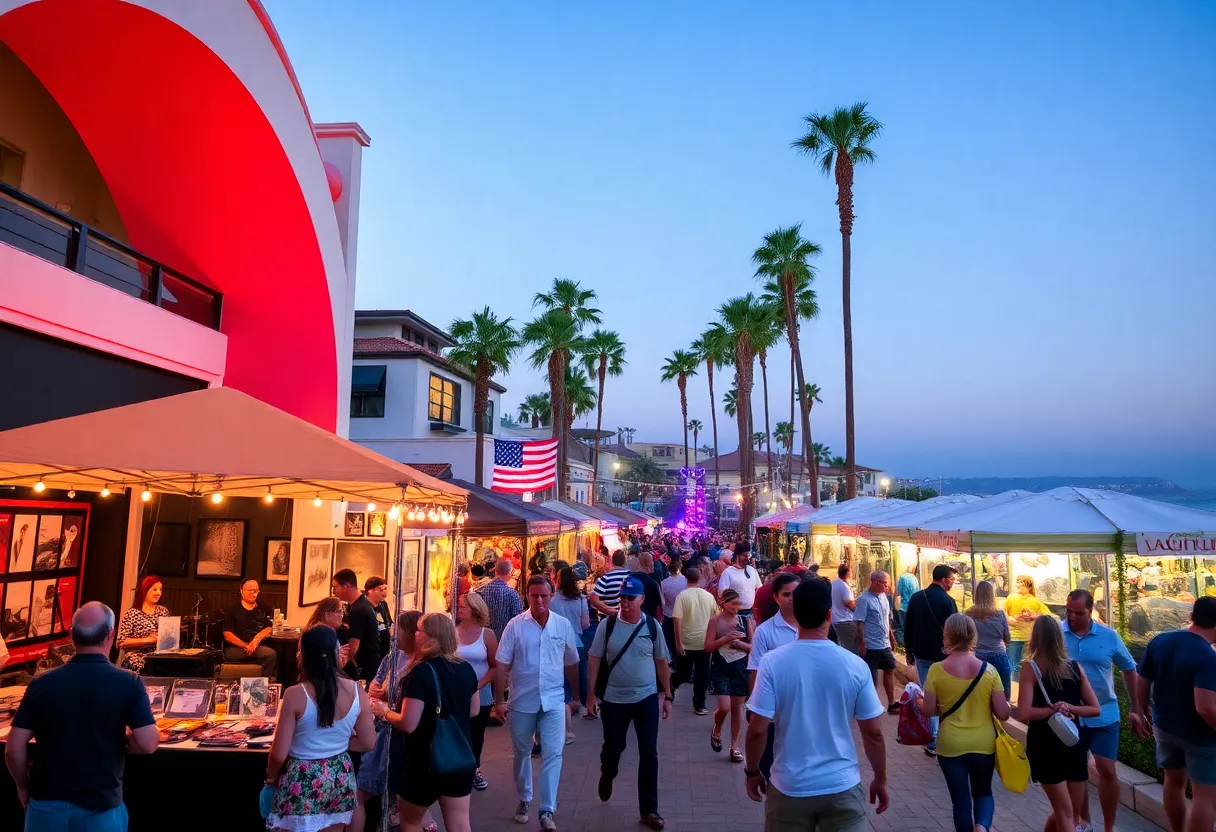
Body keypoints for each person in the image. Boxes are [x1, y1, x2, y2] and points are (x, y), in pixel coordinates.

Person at [744, 578, 888, 831]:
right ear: (829, 615)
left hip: (789, 787)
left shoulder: (772, 663)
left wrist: (752, 771)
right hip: (842, 785)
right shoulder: (854, 665)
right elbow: (873, 733)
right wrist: (880, 778)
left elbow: (757, 729)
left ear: (796, 615)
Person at [4, 603, 159, 830]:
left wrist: (22, 786)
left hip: (45, 807)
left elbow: (13, 747)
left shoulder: (42, 683)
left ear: (71, 635)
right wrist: (126, 741)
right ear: (111, 634)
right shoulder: (128, 682)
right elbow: (147, 743)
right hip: (101, 809)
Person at [265, 624, 376, 831]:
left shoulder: (295, 694)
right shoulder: (356, 690)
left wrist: (270, 779)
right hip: (339, 774)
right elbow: (369, 742)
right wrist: (339, 741)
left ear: (305, 655)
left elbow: (279, 754)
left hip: (302, 775)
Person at [375, 613, 480, 832]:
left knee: (411, 821)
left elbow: (408, 723)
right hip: (458, 757)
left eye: (420, 630)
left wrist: (384, 711)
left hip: (423, 760)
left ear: (433, 637)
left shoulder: (421, 672)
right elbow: (474, 710)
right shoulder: (465, 668)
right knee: (460, 823)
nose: (416, 634)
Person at [586, 576, 672, 831]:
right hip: (614, 700)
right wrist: (591, 695)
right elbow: (593, 660)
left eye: (630, 598)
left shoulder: (653, 627)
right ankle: (608, 772)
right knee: (614, 746)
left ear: (642, 600)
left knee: (649, 752)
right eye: (622, 597)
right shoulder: (608, 626)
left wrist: (667, 695)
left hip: (645, 698)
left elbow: (661, 663)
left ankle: (649, 810)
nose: (624, 602)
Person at [496, 575, 580, 831]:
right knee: (522, 753)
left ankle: (547, 809)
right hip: (522, 701)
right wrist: (499, 700)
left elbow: (572, 661)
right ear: (527, 596)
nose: (540, 601)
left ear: (551, 596)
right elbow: (501, 663)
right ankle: (525, 798)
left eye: (544, 596)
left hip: (553, 700)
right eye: (535, 596)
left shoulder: (562, 625)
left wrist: (576, 696)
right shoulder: (515, 626)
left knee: (554, 753)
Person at [915, 614, 1010, 832]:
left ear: (947, 634)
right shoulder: (989, 671)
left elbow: (929, 710)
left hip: (950, 746)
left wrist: (919, 701)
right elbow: (1003, 714)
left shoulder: (937, 670)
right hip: (983, 744)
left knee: (960, 801)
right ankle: (982, 827)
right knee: (984, 792)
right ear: (972, 635)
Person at [1061, 588, 1143, 832]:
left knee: (1106, 769)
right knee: (1076, 771)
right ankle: (1083, 822)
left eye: (1078, 613)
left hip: (1105, 713)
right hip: (1070, 715)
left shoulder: (1109, 636)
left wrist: (1135, 707)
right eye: (1068, 611)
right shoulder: (1057, 632)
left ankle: (1109, 826)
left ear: (1091, 612)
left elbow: (1129, 668)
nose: (1071, 617)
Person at [1134, 596, 1216, 832]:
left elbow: (1143, 679)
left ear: (1192, 617)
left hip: (1164, 727)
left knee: (1173, 781)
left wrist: (1144, 711)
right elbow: (1206, 707)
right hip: (1199, 736)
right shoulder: (1207, 657)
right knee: (1205, 798)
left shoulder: (1160, 641)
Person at [1018, 615, 1101, 832]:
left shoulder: (1031, 668)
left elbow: (1024, 713)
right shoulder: (1074, 667)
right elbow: (1095, 709)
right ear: (1059, 637)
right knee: (1070, 812)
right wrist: (1070, 708)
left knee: (1065, 812)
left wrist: (1050, 710)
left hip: (1044, 745)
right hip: (1073, 742)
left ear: (1035, 637)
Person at [368, 611, 437, 832]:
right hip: (386, 730)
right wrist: (379, 693)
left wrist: (386, 705)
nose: (392, 633)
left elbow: (407, 708)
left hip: (406, 733)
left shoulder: (424, 665)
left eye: (397, 629)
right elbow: (374, 687)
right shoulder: (392, 657)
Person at [904, 564, 959, 756]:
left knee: (929, 692)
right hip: (944, 655)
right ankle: (945, 735)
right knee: (946, 694)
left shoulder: (917, 597)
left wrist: (908, 651)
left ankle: (933, 737)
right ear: (943, 580)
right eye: (952, 580)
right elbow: (955, 631)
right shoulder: (948, 601)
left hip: (921, 653)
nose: (953, 583)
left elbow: (908, 626)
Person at [455, 592, 499, 791]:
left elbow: (495, 666)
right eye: (459, 606)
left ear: (475, 609)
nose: (460, 609)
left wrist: (479, 684)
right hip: (456, 692)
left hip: (480, 692)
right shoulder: (452, 631)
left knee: (476, 734)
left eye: (464, 606)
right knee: (457, 731)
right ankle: (458, 768)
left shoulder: (486, 634)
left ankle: (474, 768)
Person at [706, 589, 754, 763]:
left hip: (740, 668)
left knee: (736, 709)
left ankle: (734, 747)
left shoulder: (744, 620)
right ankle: (717, 727)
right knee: (724, 707)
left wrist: (739, 643)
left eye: (738, 604)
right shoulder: (715, 621)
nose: (736, 607)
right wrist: (725, 639)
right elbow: (708, 647)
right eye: (732, 604)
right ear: (723, 603)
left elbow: (753, 648)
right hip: (721, 666)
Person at [548, 567, 589, 739]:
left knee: (561, 679)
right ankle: (580, 701)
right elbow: (585, 623)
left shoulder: (552, 600)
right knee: (580, 674)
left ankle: (563, 711)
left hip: (557, 643)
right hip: (576, 641)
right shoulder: (580, 598)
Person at [671, 564, 717, 716]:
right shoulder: (709, 596)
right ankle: (699, 704)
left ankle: (672, 685)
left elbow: (677, 620)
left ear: (686, 579)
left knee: (683, 673)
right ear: (700, 578)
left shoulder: (682, 596)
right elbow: (714, 618)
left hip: (687, 642)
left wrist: (678, 642)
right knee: (702, 675)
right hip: (704, 642)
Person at [855, 570, 899, 713]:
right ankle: (872, 705)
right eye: (884, 583)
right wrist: (862, 644)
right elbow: (859, 623)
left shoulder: (884, 598)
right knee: (872, 676)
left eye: (887, 583)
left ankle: (891, 702)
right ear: (874, 582)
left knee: (889, 669)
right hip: (870, 644)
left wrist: (891, 637)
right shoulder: (864, 599)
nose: (887, 586)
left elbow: (887, 619)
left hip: (884, 642)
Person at [331, 569, 382, 684]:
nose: (334, 592)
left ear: (347, 586)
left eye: (336, 587)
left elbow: (353, 647)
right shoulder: (361, 604)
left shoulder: (358, 610)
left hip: (364, 668)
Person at [965, 579, 1012, 699]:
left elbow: (966, 638)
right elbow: (1007, 637)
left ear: (976, 594)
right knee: (1002, 696)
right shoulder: (1000, 614)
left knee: (979, 697)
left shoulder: (968, 614)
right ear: (992, 595)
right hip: (999, 656)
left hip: (977, 658)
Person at [222, 578, 278, 678]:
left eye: (255, 590)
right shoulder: (233, 610)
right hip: (236, 648)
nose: (253, 593)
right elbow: (227, 635)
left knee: (271, 654)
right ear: (241, 591)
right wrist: (246, 646)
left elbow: (269, 626)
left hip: (257, 647)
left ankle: (264, 684)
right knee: (269, 654)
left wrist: (257, 639)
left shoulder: (264, 608)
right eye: (249, 590)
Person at [116, 574, 170, 673]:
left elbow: (168, 636)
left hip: (158, 655)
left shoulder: (163, 611)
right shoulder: (133, 613)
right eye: (155, 589)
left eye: (160, 589)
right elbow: (121, 642)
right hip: (136, 656)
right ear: (145, 591)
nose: (159, 593)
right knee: (144, 664)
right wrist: (148, 640)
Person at [1005, 574, 1052, 676]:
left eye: (1021, 583)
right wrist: (1012, 619)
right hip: (1014, 637)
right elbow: (1004, 615)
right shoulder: (1011, 598)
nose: (1017, 585)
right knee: (1014, 666)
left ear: (1028, 586)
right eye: (1017, 582)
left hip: (1028, 639)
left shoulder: (1035, 601)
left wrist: (1033, 616)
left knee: (1020, 666)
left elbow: (1048, 615)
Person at [476, 558, 524, 641]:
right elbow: (518, 620)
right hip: (505, 640)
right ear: (510, 573)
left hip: (483, 640)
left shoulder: (481, 592)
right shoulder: (512, 594)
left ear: (495, 571)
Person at [718, 543, 762, 618]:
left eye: (747, 555)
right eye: (744, 556)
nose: (747, 558)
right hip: (734, 614)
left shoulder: (752, 570)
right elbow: (722, 593)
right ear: (737, 556)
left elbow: (759, 588)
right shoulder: (728, 572)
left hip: (750, 613)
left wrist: (754, 603)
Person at [659, 558, 688, 657]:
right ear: (680, 568)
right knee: (681, 639)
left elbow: (662, 602)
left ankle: (672, 658)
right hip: (682, 616)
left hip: (669, 614)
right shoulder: (686, 581)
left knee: (670, 640)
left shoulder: (663, 583)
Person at [590, 551, 631, 619]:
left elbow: (593, 599)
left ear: (612, 562)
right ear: (625, 562)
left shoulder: (606, 578)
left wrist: (608, 610)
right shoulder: (631, 576)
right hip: (629, 618)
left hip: (610, 620)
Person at [830, 564, 860, 654]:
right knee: (851, 648)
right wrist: (858, 610)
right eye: (851, 572)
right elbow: (849, 604)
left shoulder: (834, 583)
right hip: (845, 620)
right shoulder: (844, 586)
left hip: (835, 620)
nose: (852, 575)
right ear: (847, 574)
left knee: (843, 646)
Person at [365, 575, 394, 660]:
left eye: (385, 589)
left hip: (385, 650)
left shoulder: (383, 605)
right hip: (371, 652)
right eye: (381, 589)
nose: (384, 593)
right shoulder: (364, 607)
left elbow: (389, 621)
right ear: (370, 591)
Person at [630, 553, 664, 621]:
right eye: (652, 561)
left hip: (632, 620)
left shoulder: (630, 579)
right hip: (648, 621)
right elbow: (658, 608)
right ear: (650, 564)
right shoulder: (653, 584)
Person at [894, 562, 919, 630]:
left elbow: (899, 591)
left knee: (904, 627)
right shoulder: (914, 578)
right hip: (912, 606)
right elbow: (917, 591)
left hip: (903, 607)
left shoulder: (902, 577)